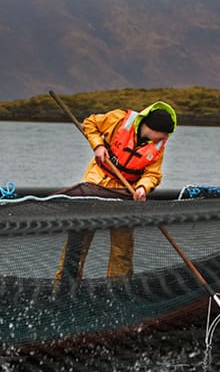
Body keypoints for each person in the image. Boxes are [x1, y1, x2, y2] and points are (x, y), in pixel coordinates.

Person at [54, 101, 177, 285]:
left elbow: (153, 174)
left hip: (125, 196)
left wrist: (143, 187)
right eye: (163, 133)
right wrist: (98, 146)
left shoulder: (158, 146)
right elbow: (90, 123)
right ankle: (63, 287)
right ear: (151, 128)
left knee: (123, 249)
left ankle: (117, 290)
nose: (164, 137)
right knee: (78, 242)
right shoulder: (120, 119)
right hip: (95, 187)